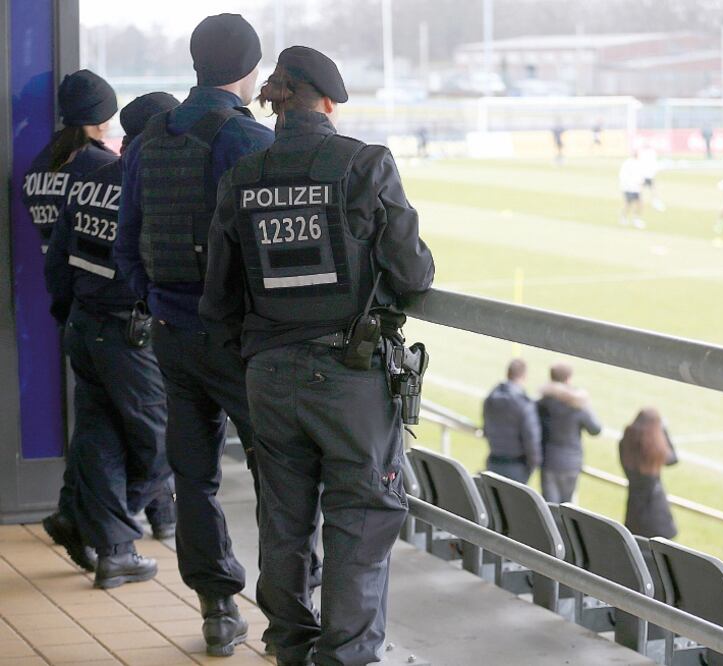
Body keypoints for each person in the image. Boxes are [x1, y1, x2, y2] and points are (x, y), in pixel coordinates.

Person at [199, 46, 434, 665]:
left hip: (268, 376)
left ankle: (288, 646)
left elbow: (218, 300)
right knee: (361, 517)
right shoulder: (365, 164)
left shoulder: (243, 177)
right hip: (350, 378)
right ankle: (345, 657)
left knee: (284, 519)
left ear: (281, 99)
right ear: (328, 102)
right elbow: (413, 273)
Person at [114, 13, 274, 656]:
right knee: (279, 473)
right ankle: (294, 605)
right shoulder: (246, 140)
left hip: (170, 335)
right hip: (238, 341)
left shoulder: (152, 136)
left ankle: (216, 608)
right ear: (249, 68)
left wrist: (156, 300)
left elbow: (128, 243)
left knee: (194, 476)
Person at [43, 92, 182, 589]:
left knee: (100, 436)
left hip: (83, 325)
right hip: (129, 333)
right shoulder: (152, 189)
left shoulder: (88, 184)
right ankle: (95, 527)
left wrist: (71, 316)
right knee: (168, 441)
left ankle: (117, 552)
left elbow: (57, 261)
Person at [22, 70, 118, 256]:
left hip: (54, 275)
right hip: (97, 279)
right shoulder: (105, 168)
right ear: (101, 122)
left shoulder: (38, 165)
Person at [536, 364, 601, 504]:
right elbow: (595, 429)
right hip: (570, 463)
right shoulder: (577, 406)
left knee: (549, 507)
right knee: (567, 508)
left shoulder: (542, 403)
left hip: (548, 460)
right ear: (568, 379)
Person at [619, 408, 678, 539]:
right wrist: (664, 432)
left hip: (633, 506)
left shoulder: (625, 445)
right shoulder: (655, 451)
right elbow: (673, 459)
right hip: (656, 509)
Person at [483, 359, 542, 484]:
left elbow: (486, 427)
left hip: (493, 461)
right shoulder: (524, 404)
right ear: (524, 376)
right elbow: (531, 437)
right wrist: (533, 463)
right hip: (516, 467)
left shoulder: (491, 398)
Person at [619, 151, 646, 229]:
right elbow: (623, 175)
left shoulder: (639, 163)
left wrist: (641, 182)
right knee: (628, 204)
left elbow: (640, 175)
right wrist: (625, 185)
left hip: (636, 188)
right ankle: (623, 217)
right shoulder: (627, 163)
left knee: (640, 204)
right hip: (629, 188)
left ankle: (636, 219)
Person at [639, 146, 665, 212]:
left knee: (650, 189)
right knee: (650, 189)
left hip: (647, 175)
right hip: (646, 176)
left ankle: (655, 202)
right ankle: (654, 202)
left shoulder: (645, 154)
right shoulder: (648, 154)